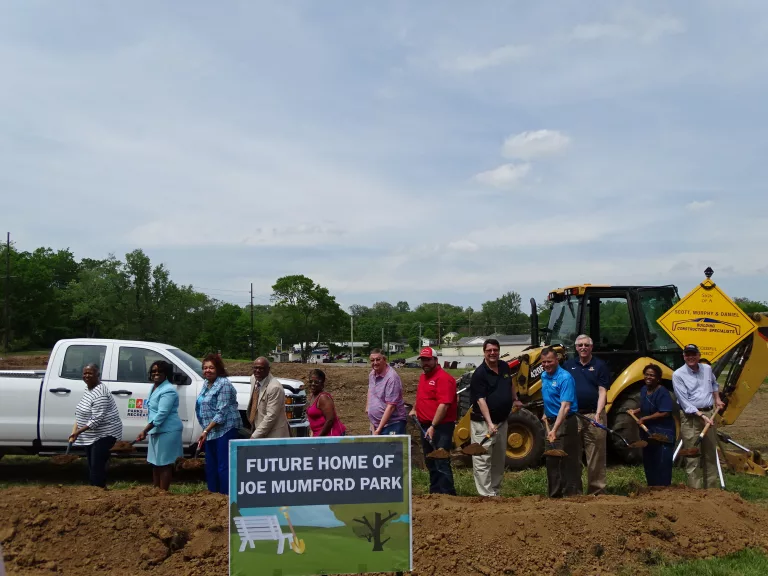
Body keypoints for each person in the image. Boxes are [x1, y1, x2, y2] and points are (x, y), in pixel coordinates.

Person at [469, 338, 523, 497]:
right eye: (489, 350)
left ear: (499, 351)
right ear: (484, 352)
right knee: (482, 460)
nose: (493, 353)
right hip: (483, 424)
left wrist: (516, 398)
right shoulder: (479, 374)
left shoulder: (504, 366)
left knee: (498, 460)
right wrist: (490, 423)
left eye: (495, 350)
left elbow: (510, 383)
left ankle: (495, 492)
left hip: (502, 422)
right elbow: (481, 400)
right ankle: (486, 495)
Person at [564, 334, 611, 495]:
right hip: (573, 416)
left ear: (591, 347)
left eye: (586, 345)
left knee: (596, 454)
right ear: (576, 348)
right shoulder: (568, 365)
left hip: (593, 415)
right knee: (572, 454)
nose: (583, 348)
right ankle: (574, 491)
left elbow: (602, 390)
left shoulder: (600, 366)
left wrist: (598, 413)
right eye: (580, 345)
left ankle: (596, 490)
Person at [672, 343, 724, 489]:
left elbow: (714, 384)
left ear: (699, 355)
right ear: (683, 357)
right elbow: (684, 401)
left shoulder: (707, 369)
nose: (691, 357)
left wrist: (717, 399)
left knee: (710, 455)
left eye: (693, 354)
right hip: (691, 418)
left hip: (709, 414)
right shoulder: (678, 375)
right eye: (687, 355)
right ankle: (696, 494)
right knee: (692, 455)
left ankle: (711, 492)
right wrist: (701, 415)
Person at [409, 347, 457, 495]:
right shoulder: (424, 377)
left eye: (428, 359)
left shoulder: (443, 378)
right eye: (423, 360)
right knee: (430, 461)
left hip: (441, 427)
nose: (425, 363)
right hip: (425, 426)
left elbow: (444, 405)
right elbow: (423, 397)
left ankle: (448, 494)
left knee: (441, 460)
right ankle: (435, 493)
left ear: (436, 360)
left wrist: (433, 426)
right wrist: (415, 409)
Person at [68, 363, 123, 488]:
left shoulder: (100, 393)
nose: (87, 376)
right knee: (93, 466)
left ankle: (99, 493)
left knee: (97, 467)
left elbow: (96, 419)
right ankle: (94, 491)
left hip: (105, 434)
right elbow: (83, 410)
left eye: (90, 373)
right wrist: (77, 426)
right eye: (85, 373)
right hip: (92, 435)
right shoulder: (89, 388)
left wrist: (77, 432)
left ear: (97, 375)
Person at [195, 353, 241, 494]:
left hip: (225, 430)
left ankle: (225, 497)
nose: (207, 370)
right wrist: (206, 430)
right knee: (211, 466)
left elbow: (221, 412)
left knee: (223, 466)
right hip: (210, 432)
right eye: (205, 368)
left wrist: (205, 431)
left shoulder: (224, 384)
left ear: (218, 369)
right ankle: (212, 495)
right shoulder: (206, 384)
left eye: (211, 368)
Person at [135, 360, 183, 491]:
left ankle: (163, 495)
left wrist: (145, 430)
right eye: (154, 371)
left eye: (160, 371)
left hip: (168, 431)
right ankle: (155, 492)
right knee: (155, 463)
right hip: (156, 430)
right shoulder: (155, 387)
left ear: (166, 373)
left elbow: (162, 413)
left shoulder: (168, 391)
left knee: (164, 464)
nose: (156, 373)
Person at [540, 347, 581, 498]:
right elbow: (549, 397)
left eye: (549, 361)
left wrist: (554, 429)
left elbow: (565, 406)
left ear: (557, 360)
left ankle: (571, 495)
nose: (546, 365)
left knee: (567, 460)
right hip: (550, 422)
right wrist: (546, 412)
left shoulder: (565, 377)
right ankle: (554, 497)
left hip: (565, 422)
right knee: (551, 459)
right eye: (543, 362)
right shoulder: (544, 376)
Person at [629, 364, 676, 487]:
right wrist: (636, 411)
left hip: (663, 432)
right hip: (648, 431)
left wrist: (644, 418)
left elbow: (665, 412)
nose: (648, 377)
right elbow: (646, 406)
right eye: (647, 374)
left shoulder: (662, 392)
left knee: (662, 462)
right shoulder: (644, 389)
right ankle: (652, 488)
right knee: (650, 461)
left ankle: (663, 489)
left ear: (658, 378)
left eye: (652, 375)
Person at [248, 357, 291, 438]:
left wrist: (254, 436)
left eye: (261, 368)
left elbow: (271, 417)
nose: (257, 371)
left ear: (268, 369)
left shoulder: (274, 387)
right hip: (259, 428)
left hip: (274, 434)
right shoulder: (254, 379)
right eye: (255, 368)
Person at [366, 349, 407, 435]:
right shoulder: (372, 374)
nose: (375, 363)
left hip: (392, 425)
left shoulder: (392, 378)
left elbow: (391, 406)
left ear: (385, 360)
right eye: (372, 360)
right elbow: (370, 391)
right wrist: (368, 408)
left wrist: (378, 430)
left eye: (378, 359)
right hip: (376, 425)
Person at [307, 369, 346, 436]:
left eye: (316, 382)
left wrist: (319, 438)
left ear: (322, 384)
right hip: (320, 436)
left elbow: (330, 420)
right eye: (311, 381)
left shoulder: (323, 398)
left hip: (331, 436)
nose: (313, 384)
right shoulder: (313, 396)